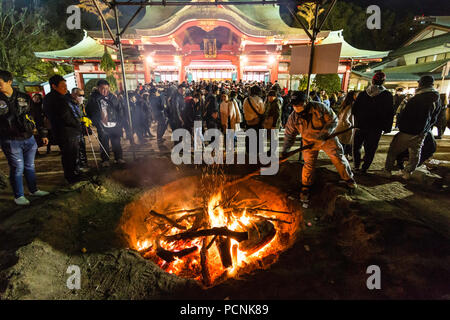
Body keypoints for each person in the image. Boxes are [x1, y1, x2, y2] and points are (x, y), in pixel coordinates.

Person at [282, 91, 356, 204]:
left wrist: (323, 135)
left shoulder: (319, 107)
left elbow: (333, 120)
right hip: (308, 142)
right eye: (294, 104)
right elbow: (289, 135)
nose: (296, 107)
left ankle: (348, 179)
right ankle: (306, 186)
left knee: (338, 157)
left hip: (327, 138)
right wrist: (285, 150)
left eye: (299, 104)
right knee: (309, 164)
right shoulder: (293, 118)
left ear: (306, 102)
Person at [0, 70, 49, 205]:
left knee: (30, 166)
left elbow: (35, 116)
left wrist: (43, 133)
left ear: (9, 82)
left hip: (28, 138)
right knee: (17, 167)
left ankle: (33, 190)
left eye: (0, 83)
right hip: (10, 139)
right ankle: (19, 195)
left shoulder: (24, 97)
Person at [383, 75, 441, 179]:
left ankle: (387, 171)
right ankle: (407, 172)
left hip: (408, 130)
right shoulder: (437, 98)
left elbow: (406, 114)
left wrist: (402, 127)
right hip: (422, 131)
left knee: (393, 150)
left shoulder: (418, 98)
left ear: (422, 84)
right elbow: (435, 116)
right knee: (415, 152)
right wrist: (427, 128)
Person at [43, 75, 84, 184]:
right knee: (69, 155)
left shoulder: (51, 97)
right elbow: (66, 117)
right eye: (62, 86)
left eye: (66, 86)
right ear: (54, 86)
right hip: (66, 132)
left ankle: (73, 174)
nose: (65, 88)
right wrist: (79, 124)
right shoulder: (57, 99)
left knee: (70, 154)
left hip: (63, 131)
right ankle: (72, 177)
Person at [352, 72, 394, 173]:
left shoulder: (363, 94)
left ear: (372, 80)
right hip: (376, 128)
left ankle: (356, 166)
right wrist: (387, 128)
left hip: (361, 126)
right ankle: (365, 168)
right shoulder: (387, 95)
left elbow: (354, 110)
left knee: (356, 147)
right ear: (383, 82)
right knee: (370, 149)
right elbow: (390, 113)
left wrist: (356, 123)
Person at [85, 79, 126, 167]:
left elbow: (120, 109)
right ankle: (105, 160)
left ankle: (118, 158)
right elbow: (89, 111)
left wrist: (120, 121)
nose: (105, 91)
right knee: (104, 143)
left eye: (107, 88)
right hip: (102, 124)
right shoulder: (93, 99)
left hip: (114, 124)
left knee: (116, 142)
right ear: (98, 88)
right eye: (102, 88)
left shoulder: (113, 97)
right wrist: (95, 121)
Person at [67, 88, 88, 172]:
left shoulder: (79, 104)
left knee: (82, 147)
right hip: (72, 131)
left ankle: (83, 165)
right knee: (75, 150)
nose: (82, 97)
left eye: (83, 95)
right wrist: (79, 121)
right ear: (73, 94)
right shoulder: (69, 104)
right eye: (80, 95)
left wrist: (85, 119)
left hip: (79, 129)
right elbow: (71, 117)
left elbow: (82, 114)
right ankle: (77, 168)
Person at [243, 85, 265, 157]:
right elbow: (262, 111)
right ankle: (257, 155)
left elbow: (243, 111)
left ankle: (248, 153)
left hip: (248, 122)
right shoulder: (259, 100)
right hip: (256, 123)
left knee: (249, 138)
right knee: (257, 139)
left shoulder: (246, 100)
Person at [335, 91, 358, 158]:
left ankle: (344, 156)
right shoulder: (351, 105)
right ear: (353, 96)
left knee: (343, 143)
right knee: (345, 144)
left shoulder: (346, 104)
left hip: (342, 127)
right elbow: (345, 118)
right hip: (346, 129)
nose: (357, 96)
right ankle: (343, 157)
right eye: (356, 95)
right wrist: (350, 125)